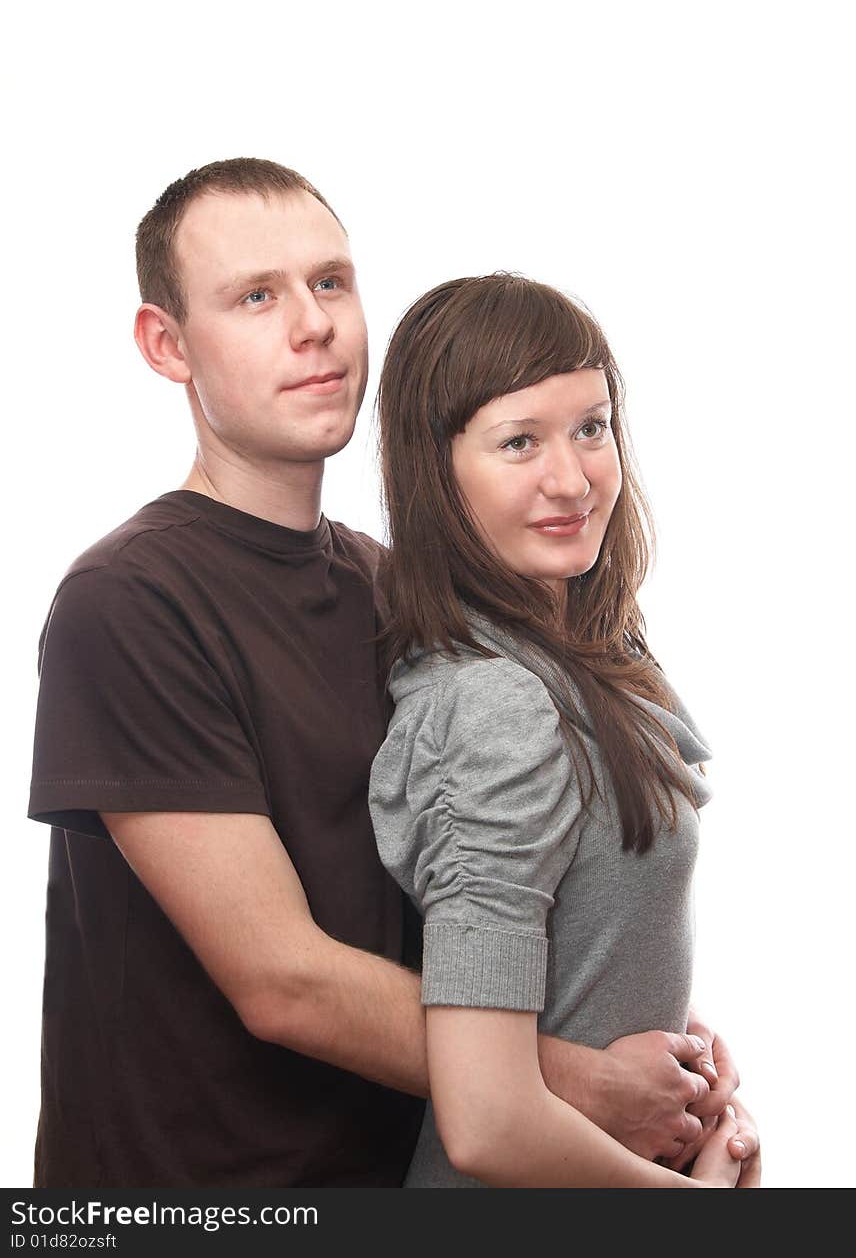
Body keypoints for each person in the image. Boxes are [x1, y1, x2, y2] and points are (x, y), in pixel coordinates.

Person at [28, 160, 757, 1187]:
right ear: (166, 344)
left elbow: (488, 897)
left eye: (330, 282)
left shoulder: (394, 591)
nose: (311, 324)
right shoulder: (131, 601)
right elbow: (283, 980)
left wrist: (661, 1051)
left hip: (389, 1181)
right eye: (254, 296)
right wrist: (574, 1080)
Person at [369, 273, 759, 1187]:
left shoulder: (581, 649)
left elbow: (576, 942)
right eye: (519, 442)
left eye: (591, 426)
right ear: (437, 475)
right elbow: (488, 1121)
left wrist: (682, 1061)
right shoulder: (494, 704)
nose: (572, 477)